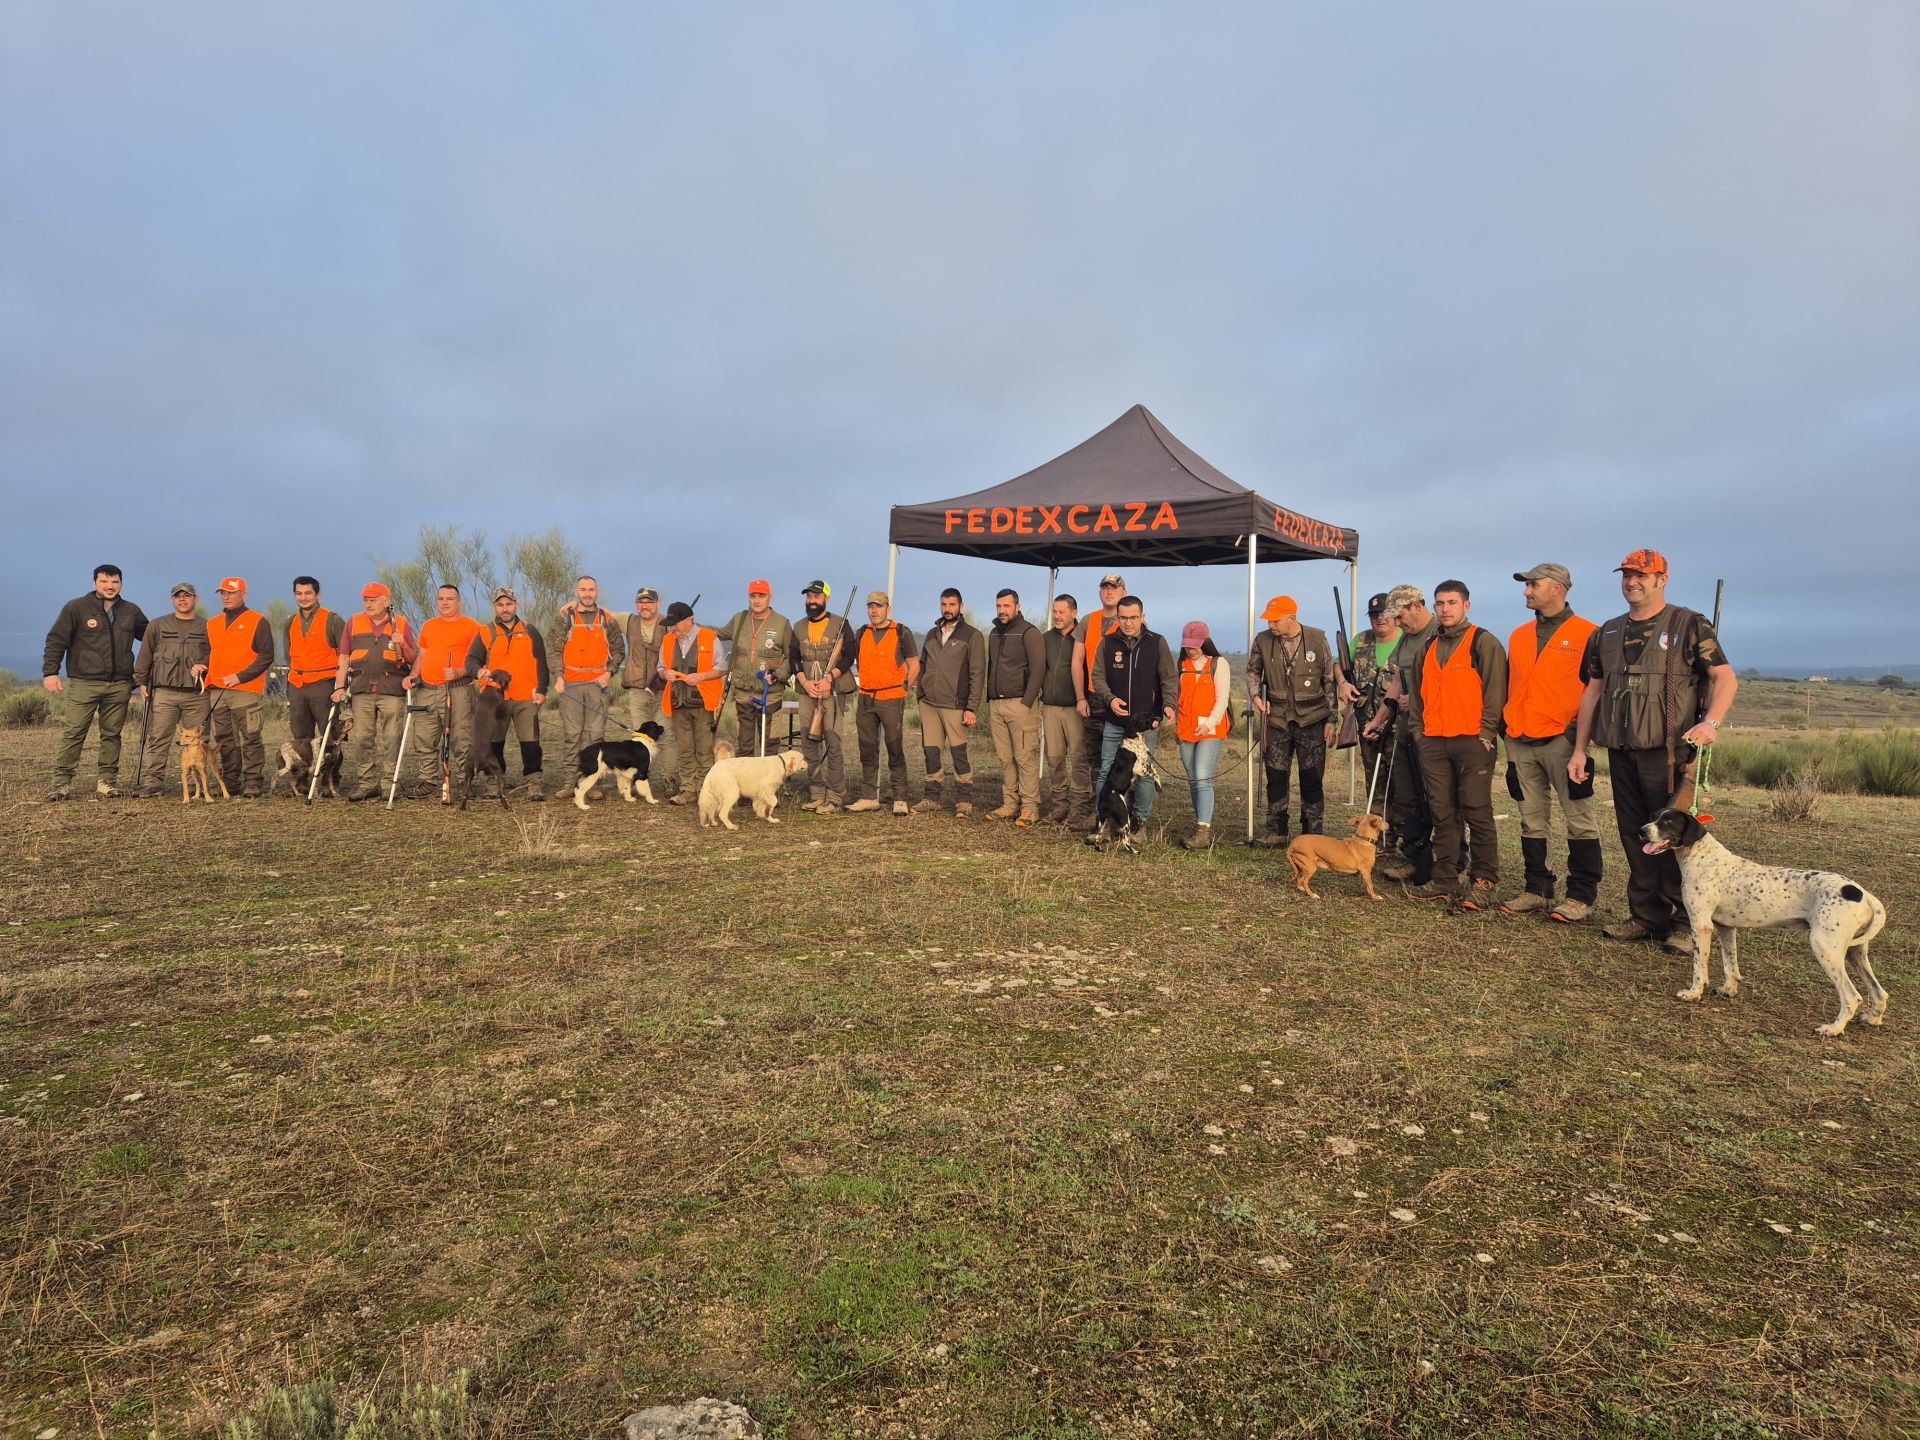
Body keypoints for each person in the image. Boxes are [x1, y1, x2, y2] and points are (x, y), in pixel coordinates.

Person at [1571, 549, 1737, 951]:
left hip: (1670, 754)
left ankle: (1685, 923)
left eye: (1643, 575)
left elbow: (1725, 678)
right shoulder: (1605, 633)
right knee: (1636, 835)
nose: (1633, 582)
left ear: (1663, 579)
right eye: (1627, 575)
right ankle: (1646, 917)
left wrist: (1710, 723)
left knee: (1677, 838)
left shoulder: (1689, 624)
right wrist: (1580, 749)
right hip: (1622, 753)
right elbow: (1592, 692)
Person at [1501, 564, 1602, 922]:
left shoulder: (1589, 633)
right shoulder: (1518, 635)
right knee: (1531, 818)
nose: (1527, 591)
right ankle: (1537, 889)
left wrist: (1576, 737)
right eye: (1526, 585)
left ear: (1558, 589)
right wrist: (1506, 728)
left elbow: (1598, 690)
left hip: (1564, 742)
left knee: (1580, 819)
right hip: (1520, 740)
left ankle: (1580, 896)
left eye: (1533, 585)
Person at [1404, 580, 1508, 908]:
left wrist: (1486, 732)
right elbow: (1417, 693)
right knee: (1442, 813)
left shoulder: (1483, 642)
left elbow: (1495, 690)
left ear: (1466, 605)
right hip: (1434, 741)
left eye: (1452, 602)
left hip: (1472, 741)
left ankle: (1483, 881)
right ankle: (1445, 879)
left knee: (1477, 811)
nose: (1445, 609)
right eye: (1440, 603)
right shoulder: (1429, 647)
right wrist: (1419, 732)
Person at [41, 563, 148, 801]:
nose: (110, 586)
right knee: (74, 732)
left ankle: (107, 782)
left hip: (119, 684)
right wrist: (50, 672)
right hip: (84, 683)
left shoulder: (131, 611)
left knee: (112, 734)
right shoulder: (76, 608)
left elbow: (151, 638)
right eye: (104, 581)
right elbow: (57, 640)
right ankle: (61, 784)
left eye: (115, 582)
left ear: (121, 583)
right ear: (95, 583)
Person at [1244, 595, 1340, 845]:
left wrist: (1331, 719)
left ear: (1292, 618)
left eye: (1275, 620)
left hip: (1312, 720)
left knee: (1311, 777)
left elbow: (1329, 681)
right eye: (1268, 620)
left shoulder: (1318, 639)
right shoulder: (1263, 641)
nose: (1270, 625)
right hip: (1275, 719)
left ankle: (1312, 832)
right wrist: (1255, 695)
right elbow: (1253, 671)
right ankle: (1277, 831)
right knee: (1275, 776)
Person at [1365, 585, 1441, 886]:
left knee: (1439, 800)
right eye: (1392, 618)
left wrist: (1420, 699)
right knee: (1408, 797)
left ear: (1418, 606)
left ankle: (1452, 863)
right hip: (1407, 728)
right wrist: (1379, 718)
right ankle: (1413, 859)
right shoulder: (1407, 639)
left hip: (1436, 731)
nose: (1396, 624)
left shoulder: (1440, 633)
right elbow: (1398, 681)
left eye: (1400, 616)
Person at [1090, 594, 1177, 833]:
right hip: (1115, 720)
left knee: (1145, 773)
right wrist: (1110, 698)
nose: (1128, 622)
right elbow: (1097, 677)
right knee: (1107, 770)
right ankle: (1104, 822)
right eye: (1123, 618)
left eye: (1133, 617)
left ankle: (1140, 822)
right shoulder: (1107, 643)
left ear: (1143, 617)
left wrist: (1169, 704)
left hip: (1144, 723)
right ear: (1117, 617)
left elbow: (1169, 678)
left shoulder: (1156, 642)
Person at [330, 582, 418, 801]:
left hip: (392, 689)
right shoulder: (354, 622)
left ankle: (391, 783)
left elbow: (413, 659)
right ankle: (367, 783)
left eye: (373, 600)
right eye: (366, 600)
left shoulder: (402, 623)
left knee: (391, 738)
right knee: (362, 738)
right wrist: (339, 687)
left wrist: (403, 644)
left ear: (385, 601)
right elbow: (343, 657)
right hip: (361, 689)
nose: (368, 604)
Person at [464, 588, 549, 796]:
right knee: (493, 741)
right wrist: (479, 671)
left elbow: (541, 662)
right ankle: (494, 781)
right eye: (500, 605)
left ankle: (533, 781)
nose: (505, 609)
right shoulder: (485, 632)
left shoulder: (530, 630)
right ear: (495, 607)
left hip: (526, 696)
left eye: (509, 604)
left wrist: (542, 690)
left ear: (516, 605)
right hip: (494, 699)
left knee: (530, 741)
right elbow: (471, 660)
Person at [841, 591, 919, 815]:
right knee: (867, 748)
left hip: (892, 697)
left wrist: (904, 689)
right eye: (870, 606)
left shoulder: (901, 632)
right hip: (866, 697)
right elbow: (850, 658)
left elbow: (915, 665)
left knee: (894, 747)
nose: (874, 610)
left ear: (888, 609)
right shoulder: (862, 633)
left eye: (879, 606)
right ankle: (868, 797)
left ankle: (900, 798)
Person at [913, 587, 986, 816]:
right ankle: (932, 797)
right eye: (944, 604)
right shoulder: (932, 634)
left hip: (955, 704)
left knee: (959, 753)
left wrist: (971, 707)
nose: (947, 609)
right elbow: (923, 665)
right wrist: (920, 694)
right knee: (931, 751)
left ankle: (964, 800)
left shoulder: (971, 635)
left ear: (961, 606)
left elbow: (977, 673)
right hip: (929, 704)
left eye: (952, 605)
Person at [130, 582, 207, 796]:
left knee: (198, 741)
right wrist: (141, 683)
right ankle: (153, 783)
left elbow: (214, 655)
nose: (182, 600)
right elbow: (145, 654)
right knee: (158, 737)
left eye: (187, 596)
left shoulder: (207, 626)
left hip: (197, 694)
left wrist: (206, 666)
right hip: (164, 692)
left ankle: (195, 786)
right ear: (172, 599)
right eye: (178, 596)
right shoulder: (157, 625)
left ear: (196, 599)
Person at [407, 584, 483, 798]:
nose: (445, 602)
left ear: (459, 602)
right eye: (441, 599)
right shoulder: (429, 626)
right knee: (424, 737)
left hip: (458, 691)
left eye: (450, 598)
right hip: (427, 690)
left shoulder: (472, 627)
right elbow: (422, 656)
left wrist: (460, 671)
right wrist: (413, 676)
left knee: (461, 738)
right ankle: (428, 780)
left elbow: (479, 661)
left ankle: (463, 779)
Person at [549, 576, 626, 789]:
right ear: (576, 592)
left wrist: (609, 673)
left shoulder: (607, 619)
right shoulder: (565, 616)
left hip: (597, 685)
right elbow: (554, 650)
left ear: (597, 592)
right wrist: (558, 675)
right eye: (583, 589)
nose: (587, 594)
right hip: (570, 685)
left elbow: (619, 650)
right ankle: (569, 782)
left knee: (596, 736)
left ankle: (593, 785)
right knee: (572, 736)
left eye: (591, 590)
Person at [205, 576, 275, 798]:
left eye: (231, 592)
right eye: (223, 593)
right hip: (217, 690)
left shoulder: (258, 620)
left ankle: (253, 782)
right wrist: (201, 665)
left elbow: (267, 655)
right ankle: (231, 781)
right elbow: (209, 653)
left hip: (246, 690)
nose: (226, 596)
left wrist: (240, 676)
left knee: (251, 737)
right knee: (225, 739)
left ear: (243, 594)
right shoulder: (212, 623)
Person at [789, 580, 855, 814]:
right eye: (809, 597)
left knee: (833, 743)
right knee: (809, 742)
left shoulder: (840, 623)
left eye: (816, 597)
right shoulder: (798, 627)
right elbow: (794, 657)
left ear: (826, 597)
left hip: (832, 691)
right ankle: (816, 793)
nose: (812, 601)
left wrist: (830, 678)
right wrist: (805, 682)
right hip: (808, 691)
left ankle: (835, 795)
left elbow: (849, 656)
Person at [984, 588, 1045, 825]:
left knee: (1024, 756)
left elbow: (1038, 669)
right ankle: (1010, 803)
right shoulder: (993, 633)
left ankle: (1030, 807)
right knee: (1005, 758)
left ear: (1017, 607)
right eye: (999, 606)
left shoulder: (1029, 632)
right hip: (996, 704)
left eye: (1006, 606)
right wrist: (990, 697)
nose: (1002, 610)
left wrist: (1026, 702)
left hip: (1020, 704)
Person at [1072, 573, 1127, 830]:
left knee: (1120, 759)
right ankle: (1099, 812)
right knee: (1094, 759)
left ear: (1123, 592)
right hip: (1094, 699)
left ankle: (1122, 815)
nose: (1109, 591)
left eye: (1114, 588)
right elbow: (1076, 661)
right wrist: (1081, 696)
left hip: (1121, 700)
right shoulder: (1088, 620)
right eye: (1104, 587)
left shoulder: (1130, 620)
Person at [659, 600, 725, 804]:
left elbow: (721, 668)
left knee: (704, 750)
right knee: (685, 749)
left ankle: (706, 791)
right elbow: (660, 667)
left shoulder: (709, 638)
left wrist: (701, 677)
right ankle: (688, 790)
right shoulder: (668, 640)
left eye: (677, 623)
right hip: (678, 702)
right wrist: (665, 674)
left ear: (690, 620)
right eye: (671, 624)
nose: (673, 628)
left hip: (704, 703)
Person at [1174, 621, 1232, 849]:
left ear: (1205, 641)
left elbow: (1222, 699)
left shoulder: (1219, 664)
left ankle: (1203, 831)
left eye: (1195, 645)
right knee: (1192, 778)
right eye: (1187, 645)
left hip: (1211, 729)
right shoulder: (1182, 664)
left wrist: (1209, 724)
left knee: (1202, 776)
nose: (1191, 649)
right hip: (1186, 728)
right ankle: (1200, 825)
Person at [284, 576, 347, 779]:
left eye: (308, 593)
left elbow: (346, 653)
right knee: (301, 735)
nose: (303, 597)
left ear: (318, 594)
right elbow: (289, 654)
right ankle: (303, 779)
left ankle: (331, 779)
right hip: (297, 684)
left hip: (324, 684)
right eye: (299, 593)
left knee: (330, 735)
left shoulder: (333, 620)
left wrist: (340, 685)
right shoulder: (289, 622)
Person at [1350, 593, 1402, 835]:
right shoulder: (1360, 641)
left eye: (1383, 613)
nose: (1378, 618)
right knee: (1375, 783)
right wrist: (1342, 682)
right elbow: (1340, 665)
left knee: (1401, 785)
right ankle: (1379, 839)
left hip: (1399, 728)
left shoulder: (1408, 640)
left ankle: (1400, 837)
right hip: (1367, 726)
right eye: (1373, 614)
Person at [723, 580, 792, 756]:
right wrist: (691, 627)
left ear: (770, 597)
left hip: (770, 694)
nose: (757, 600)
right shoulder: (739, 619)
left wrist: (778, 675)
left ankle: (769, 783)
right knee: (744, 745)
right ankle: (746, 782)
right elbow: (718, 634)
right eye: (753, 596)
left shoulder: (782, 623)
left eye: (761, 596)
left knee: (769, 745)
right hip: (744, 693)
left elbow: (791, 657)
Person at [619, 587, 679, 789]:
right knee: (639, 739)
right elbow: (602, 613)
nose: (645, 605)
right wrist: (573, 604)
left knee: (667, 737)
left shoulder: (669, 624)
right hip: (637, 690)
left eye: (649, 601)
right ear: (636, 604)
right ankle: (640, 780)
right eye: (641, 602)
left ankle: (669, 779)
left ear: (658, 604)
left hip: (663, 690)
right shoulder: (627, 620)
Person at [1039, 593, 1089, 825]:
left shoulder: (1082, 636)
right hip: (1050, 706)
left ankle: (1080, 806)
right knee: (1054, 757)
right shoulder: (1046, 637)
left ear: (1074, 612)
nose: (1057, 616)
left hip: (1075, 707)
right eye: (1054, 612)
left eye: (1062, 612)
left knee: (1079, 758)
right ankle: (1060, 805)